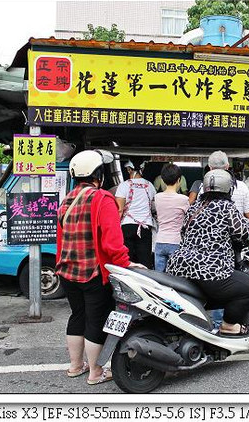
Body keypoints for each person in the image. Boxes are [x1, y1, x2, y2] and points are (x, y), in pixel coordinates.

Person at [56, 150, 143, 385]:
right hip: (93, 272)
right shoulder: (102, 199)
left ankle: (76, 366)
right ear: (98, 174)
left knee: (77, 316)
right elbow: (112, 242)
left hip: (67, 271)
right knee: (96, 320)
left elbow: (61, 240)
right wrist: (126, 263)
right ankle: (95, 372)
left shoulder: (66, 201)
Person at [166, 169, 249, 335]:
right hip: (210, 269)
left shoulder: (194, 207)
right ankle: (229, 325)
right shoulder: (226, 207)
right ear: (228, 189)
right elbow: (241, 232)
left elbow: (183, 233)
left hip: (181, 267)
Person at [115, 160, 157, 268]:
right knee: (145, 262)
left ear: (129, 169)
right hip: (145, 227)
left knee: (127, 261)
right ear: (142, 169)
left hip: (127, 226)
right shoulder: (150, 186)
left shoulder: (123, 186)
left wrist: (115, 229)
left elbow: (119, 210)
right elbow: (153, 206)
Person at [153, 163, 190, 272]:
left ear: (163, 180)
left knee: (160, 279)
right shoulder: (183, 199)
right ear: (179, 180)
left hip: (159, 241)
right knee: (175, 279)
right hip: (176, 242)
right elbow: (188, 219)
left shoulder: (157, 197)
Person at [199, 151, 249, 219]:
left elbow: (200, 210)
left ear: (210, 168)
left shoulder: (204, 187)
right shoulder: (241, 186)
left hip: (210, 227)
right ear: (227, 166)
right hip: (235, 227)